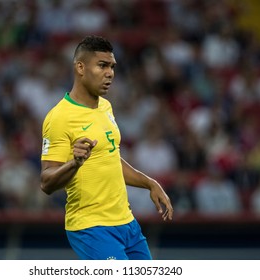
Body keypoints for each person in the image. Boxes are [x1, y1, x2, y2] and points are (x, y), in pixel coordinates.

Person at [40, 35, 173, 260]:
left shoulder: (105, 107)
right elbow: (46, 182)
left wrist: (149, 183)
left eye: (112, 66)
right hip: (91, 227)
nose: (110, 73)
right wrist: (74, 163)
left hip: (126, 223)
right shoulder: (59, 118)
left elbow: (110, 159)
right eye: (102, 65)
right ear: (80, 67)